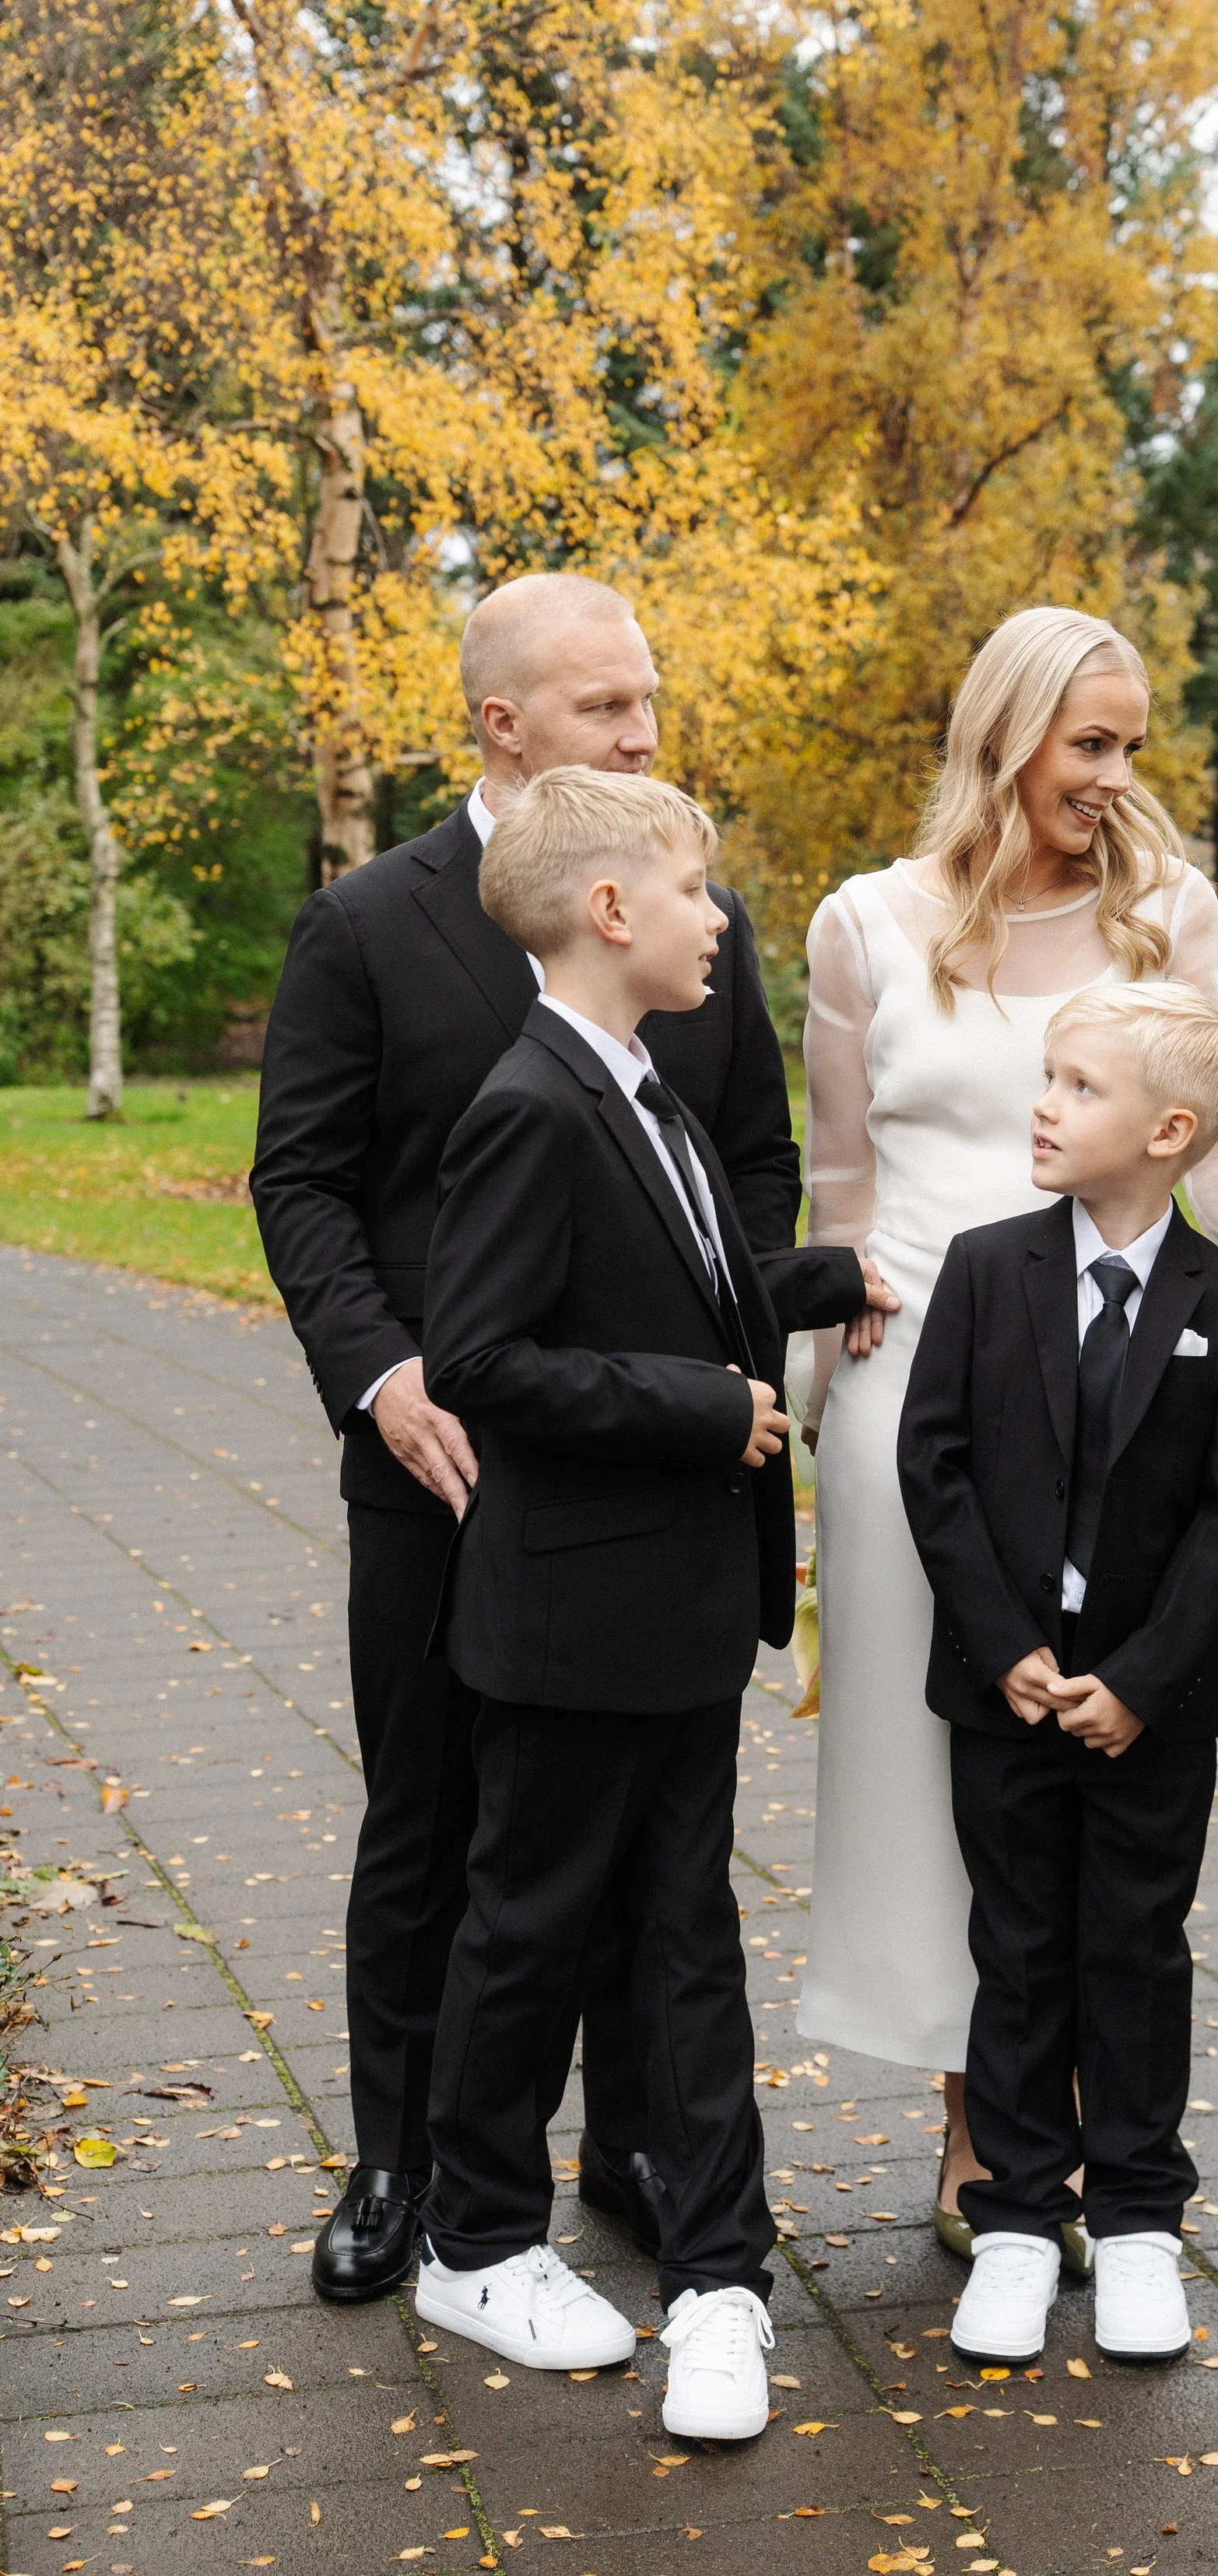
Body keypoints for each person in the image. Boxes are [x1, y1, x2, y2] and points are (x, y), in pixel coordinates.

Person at [251, 572, 872, 2302]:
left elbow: (738, 1161)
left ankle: (638, 2147)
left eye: (650, 699)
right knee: (437, 1817)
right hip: (440, 1457)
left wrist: (732, 1350)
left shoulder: (689, 917)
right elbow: (300, 1178)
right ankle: (411, 2159)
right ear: (499, 720)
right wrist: (387, 1375)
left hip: (649, 1469)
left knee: (636, 1830)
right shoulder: (368, 924)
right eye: (606, 706)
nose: (644, 728)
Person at [799, 603, 1218, 2251]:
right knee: (940, 1766)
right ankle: (979, 2123)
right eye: (1087, 743)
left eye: (1128, 746)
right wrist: (832, 1343)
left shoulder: (1164, 911)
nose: (1112, 777)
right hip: (921, 1400)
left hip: (1125, 1385)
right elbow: (840, 1172)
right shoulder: (863, 924)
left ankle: (1101, 2119)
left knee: (1100, 1747)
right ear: (1004, 735)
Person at [415, 768, 881, 2424]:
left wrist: (817, 1285)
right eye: (696, 890)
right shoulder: (531, 1103)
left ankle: (718, 2277)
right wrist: (702, 1412)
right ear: (610, 911)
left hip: (674, 1615)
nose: (718, 919)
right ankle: (473, 2241)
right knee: (532, 1928)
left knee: (687, 1943)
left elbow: (676, 1285)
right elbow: (477, 1357)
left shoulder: (645, 1088)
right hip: (566, 1624)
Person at [898, 981, 1218, 2370]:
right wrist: (1008, 1649)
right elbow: (930, 1464)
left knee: (1135, 1946)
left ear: (1169, 1130)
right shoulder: (987, 1267)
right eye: (1045, 1078)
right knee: (1018, 1946)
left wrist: (1142, 1677)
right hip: (1003, 1693)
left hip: (1147, 1710)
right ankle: (1011, 2218)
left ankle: (1135, 2224)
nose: (1043, 1106)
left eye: (1076, 1086)